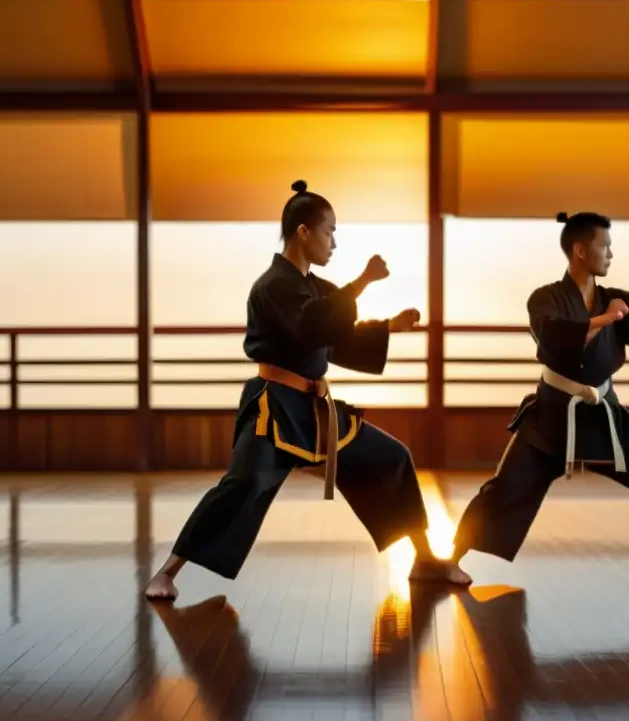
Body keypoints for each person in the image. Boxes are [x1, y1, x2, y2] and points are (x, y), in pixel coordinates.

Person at [145, 180, 471, 600]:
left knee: (393, 458)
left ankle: (426, 559)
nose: (333, 242)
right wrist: (363, 282)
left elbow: (334, 337)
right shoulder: (272, 286)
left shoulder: (316, 288)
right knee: (242, 485)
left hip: (316, 411)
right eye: (329, 231)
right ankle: (168, 572)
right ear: (303, 231)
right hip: (274, 409)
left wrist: (389, 326)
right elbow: (313, 325)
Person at [450, 211, 629, 580]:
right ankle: (448, 561)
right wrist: (608, 319)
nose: (611, 253)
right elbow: (557, 337)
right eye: (604, 245)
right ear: (580, 251)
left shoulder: (615, 299)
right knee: (506, 489)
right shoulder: (545, 299)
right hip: (552, 417)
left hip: (603, 415)